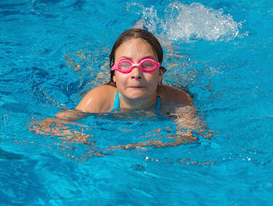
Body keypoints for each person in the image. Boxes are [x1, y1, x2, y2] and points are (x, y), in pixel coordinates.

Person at [30, 28, 208, 149]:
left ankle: (167, 46)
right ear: (113, 74)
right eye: (125, 65)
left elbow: (194, 134)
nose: (136, 73)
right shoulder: (98, 99)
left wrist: (141, 146)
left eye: (147, 64)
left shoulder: (177, 101)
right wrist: (83, 140)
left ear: (160, 74)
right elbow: (43, 126)